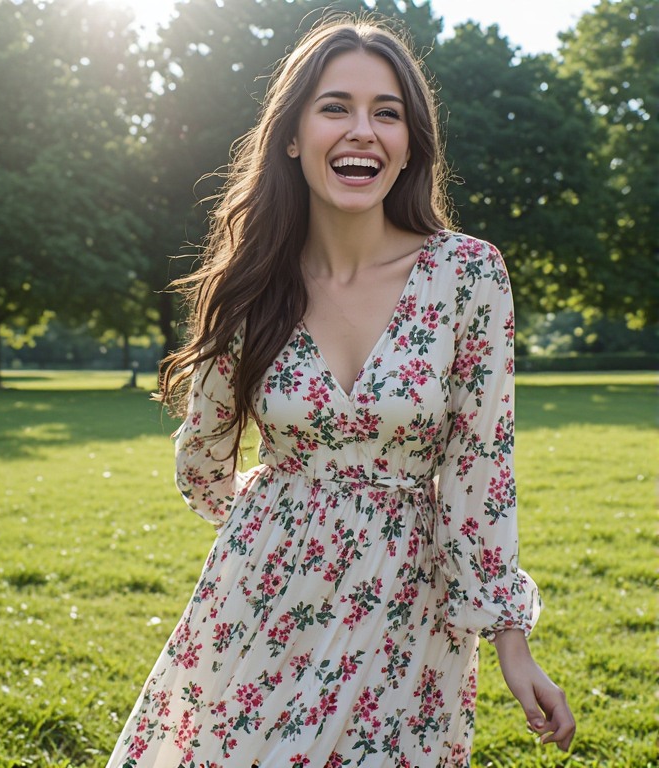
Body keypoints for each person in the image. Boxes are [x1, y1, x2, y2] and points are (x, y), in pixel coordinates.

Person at [106, 15, 575, 768]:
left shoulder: (469, 276)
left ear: (411, 144)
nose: (363, 131)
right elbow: (202, 461)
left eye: (386, 113)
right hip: (263, 602)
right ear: (292, 136)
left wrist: (511, 645)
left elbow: (481, 472)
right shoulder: (252, 286)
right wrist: (295, 510)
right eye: (336, 107)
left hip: (411, 614)